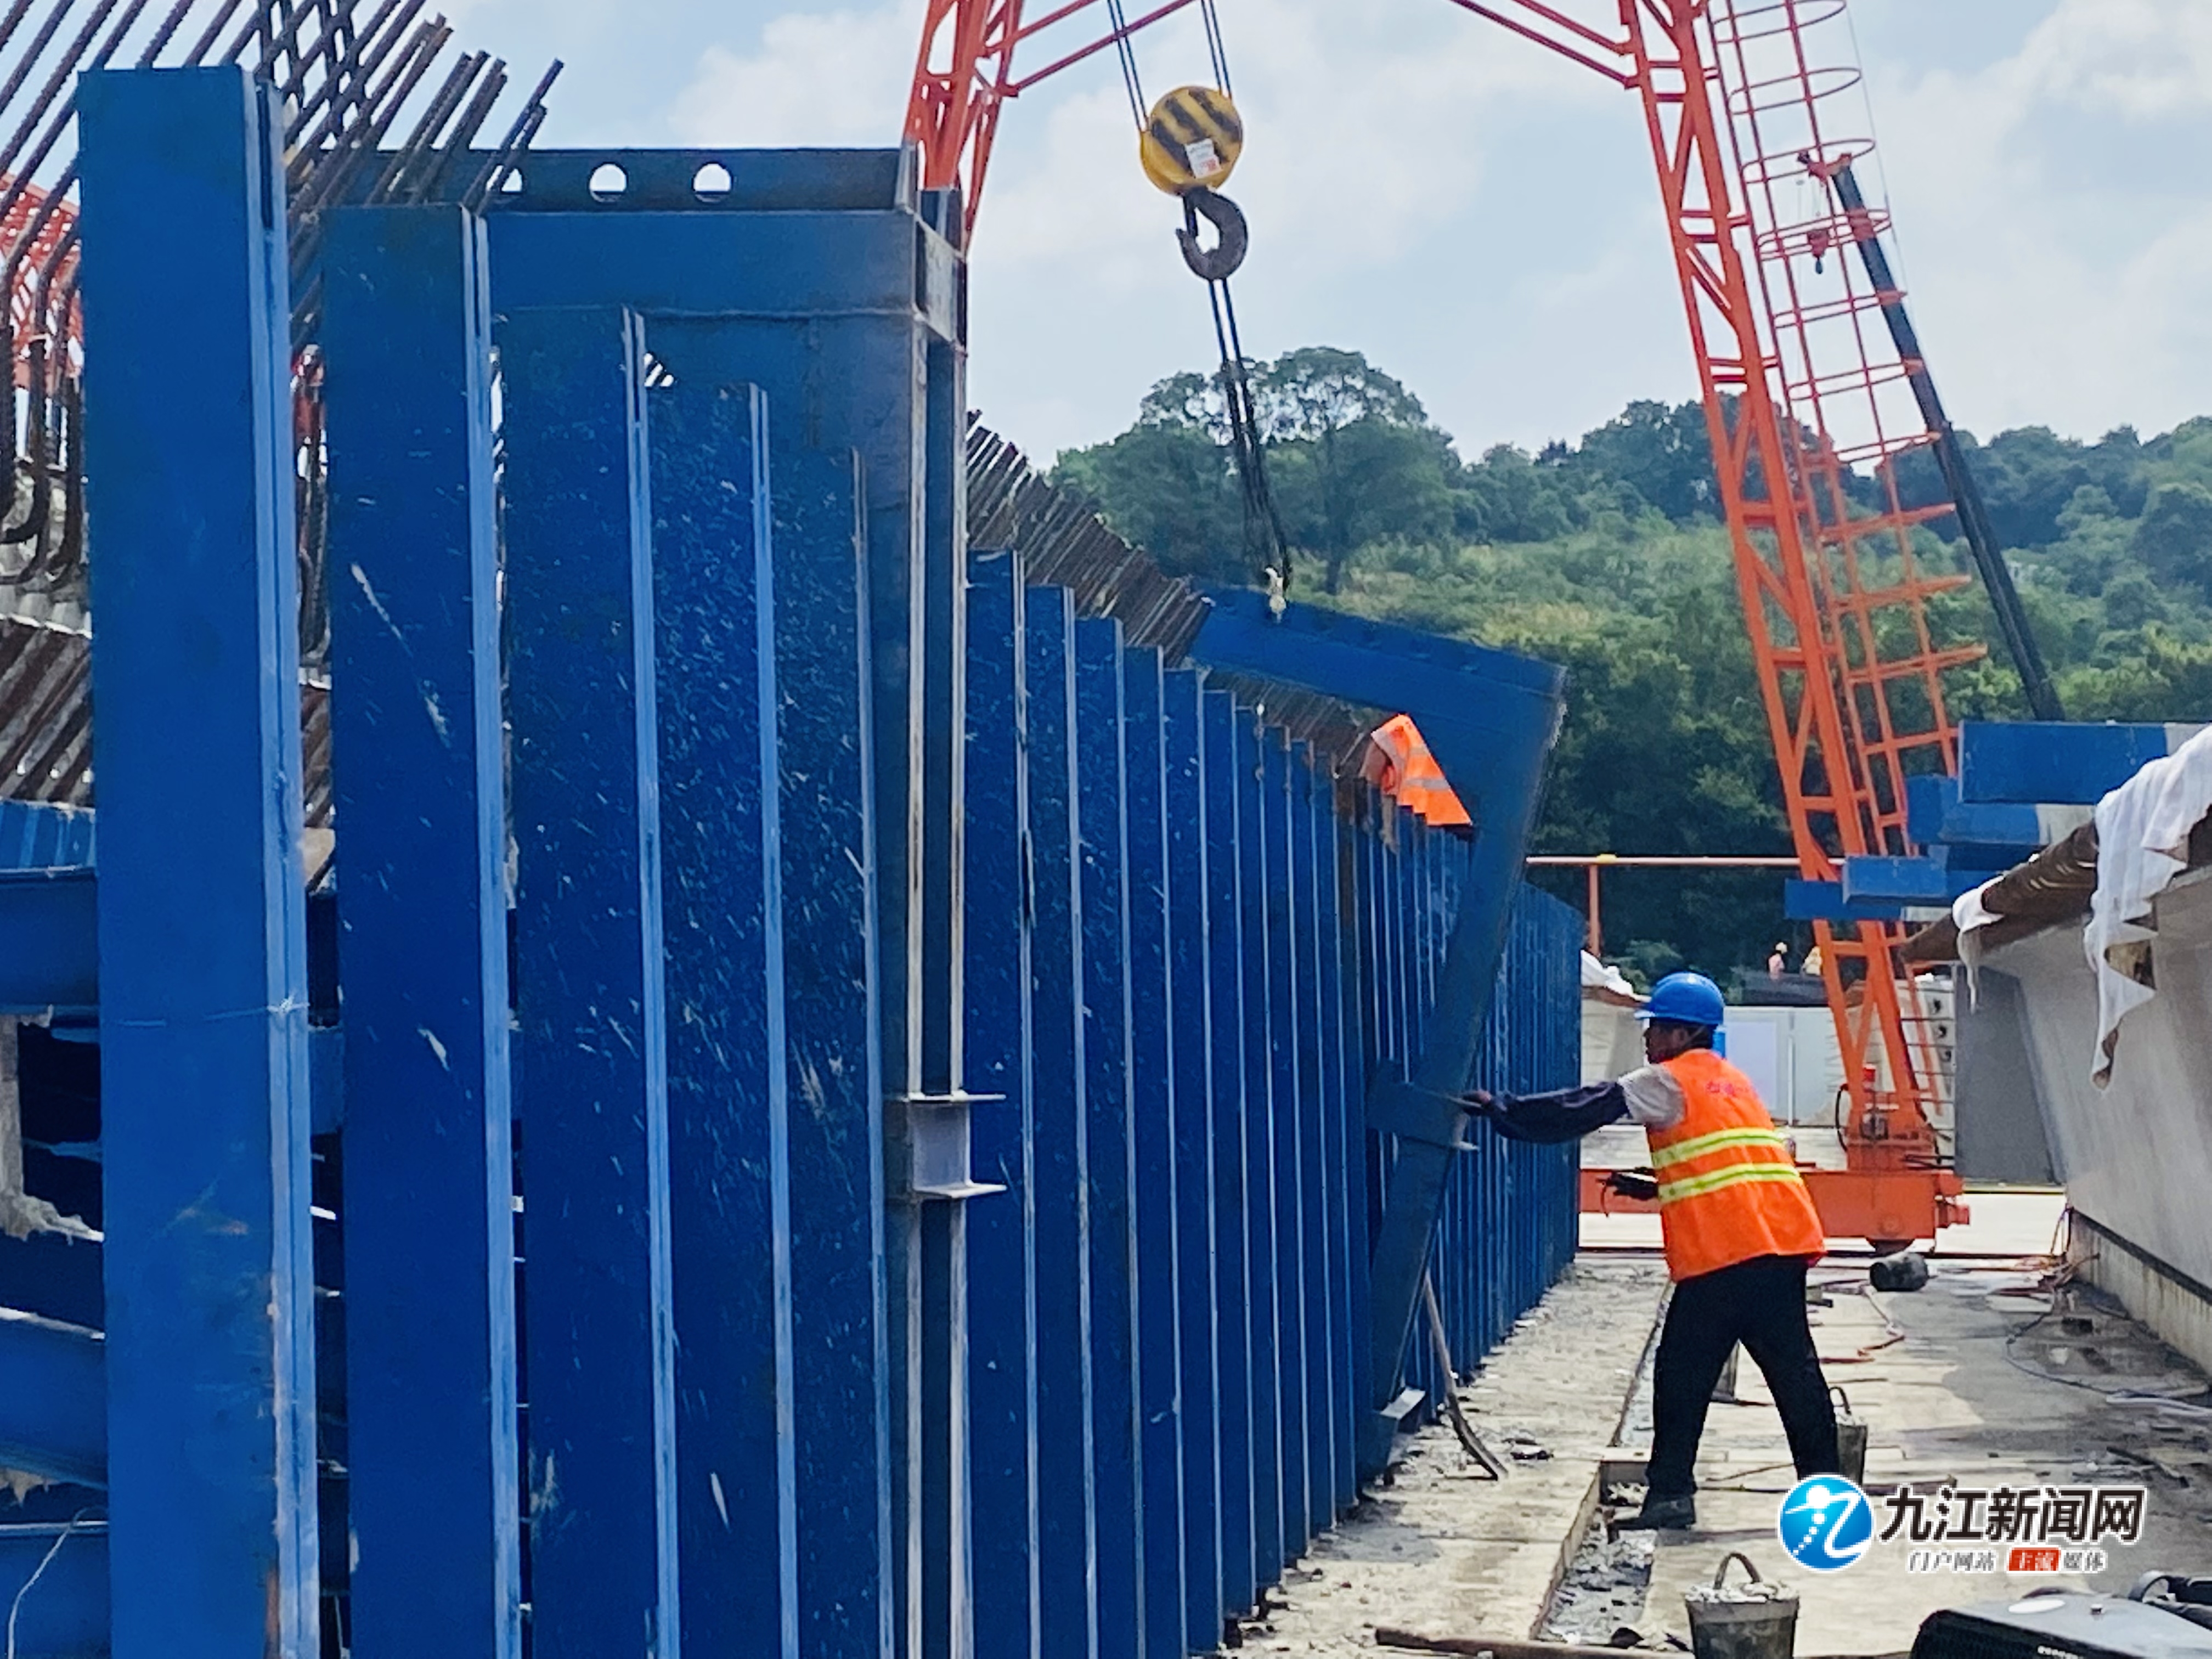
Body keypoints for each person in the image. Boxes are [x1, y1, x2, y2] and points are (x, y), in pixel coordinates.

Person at [1466, 970, 1841, 1531]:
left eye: (1656, 1027)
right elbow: (1731, 1167)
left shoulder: (1668, 1080)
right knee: (1796, 1376)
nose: (1647, 1037)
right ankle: (1830, 1495)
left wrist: (1505, 1110)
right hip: (1782, 1246)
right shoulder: (1732, 1081)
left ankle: (1670, 1497)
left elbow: (1585, 1106)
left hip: (1725, 1258)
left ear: (1684, 1033)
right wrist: (1656, 1184)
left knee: (1681, 1376)